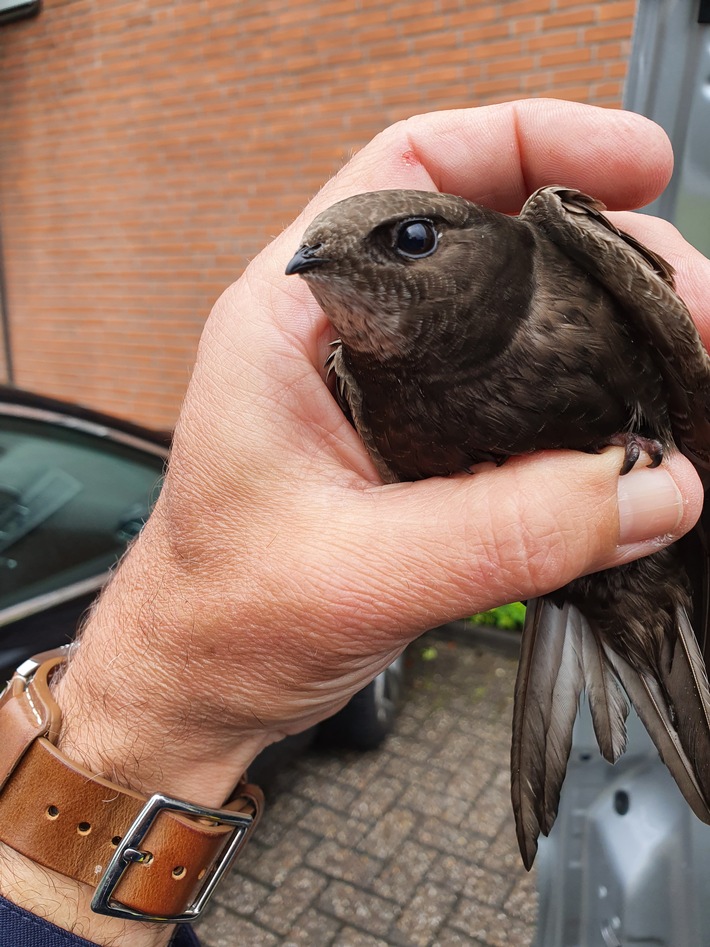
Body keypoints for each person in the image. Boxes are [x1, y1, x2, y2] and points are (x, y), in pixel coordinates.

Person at [1, 98, 708, 947]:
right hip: (583, 579)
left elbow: (681, 369)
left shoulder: (558, 235)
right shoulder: (364, 381)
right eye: (322, 269)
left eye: (411, 240)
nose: (334, 274)